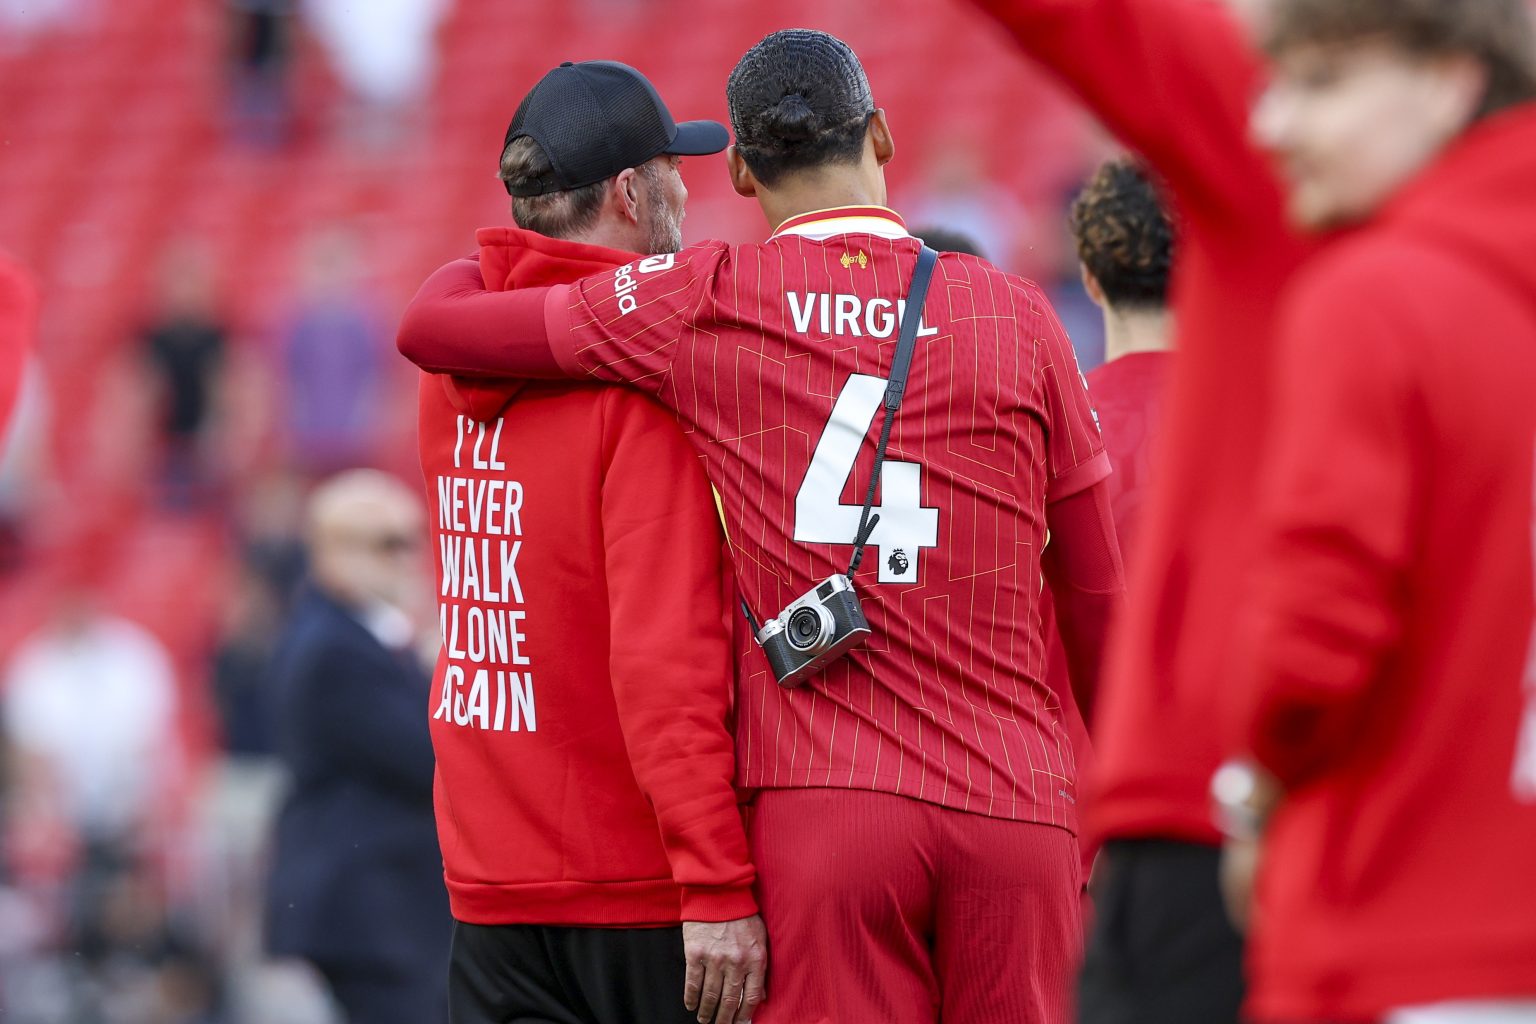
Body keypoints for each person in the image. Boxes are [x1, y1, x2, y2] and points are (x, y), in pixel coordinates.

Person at [398, 30, 1124, 1024]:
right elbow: (1096, 595)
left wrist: (475, 259)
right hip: (1014, 802)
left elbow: (436, 330)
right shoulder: (1019, 315)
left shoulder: (704, 300)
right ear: (880, 135)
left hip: (828, 808)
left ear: (740, 170)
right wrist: (1125, 797)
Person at [962, 1, 1315, 1018]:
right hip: (1262, 817)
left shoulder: (1040, 437)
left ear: (1087, 272)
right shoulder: (1286, 409)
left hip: (1083, 831)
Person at [418, 60, 766, 1024]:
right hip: (633, 895)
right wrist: (716, 881)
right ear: (629, 194)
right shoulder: (637, 385)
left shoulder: (448, 362)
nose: (686, 188)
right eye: (672, 169)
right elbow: (662, 664)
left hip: (491, 885)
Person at [1216, 3, 1536, 1021]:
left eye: (1323, 84)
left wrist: (1252, 790)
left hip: (1395, 932)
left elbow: (1311, 651)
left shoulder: (1375, 296)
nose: (1271, 123)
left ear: (1450, 82)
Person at [264, 470, 450, 1024]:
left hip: (379, 901)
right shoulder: (335, 650)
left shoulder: (353, 637)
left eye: (411, 540)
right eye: (387, 543)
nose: (407, 558)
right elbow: (426, 757)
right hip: (368, 902)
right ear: (333, 550)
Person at [1042, 155, 1176, 888]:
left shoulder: (1046, 427)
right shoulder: (1267, 422)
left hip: (1074, 808)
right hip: (1225, 806)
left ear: (1090, 279)